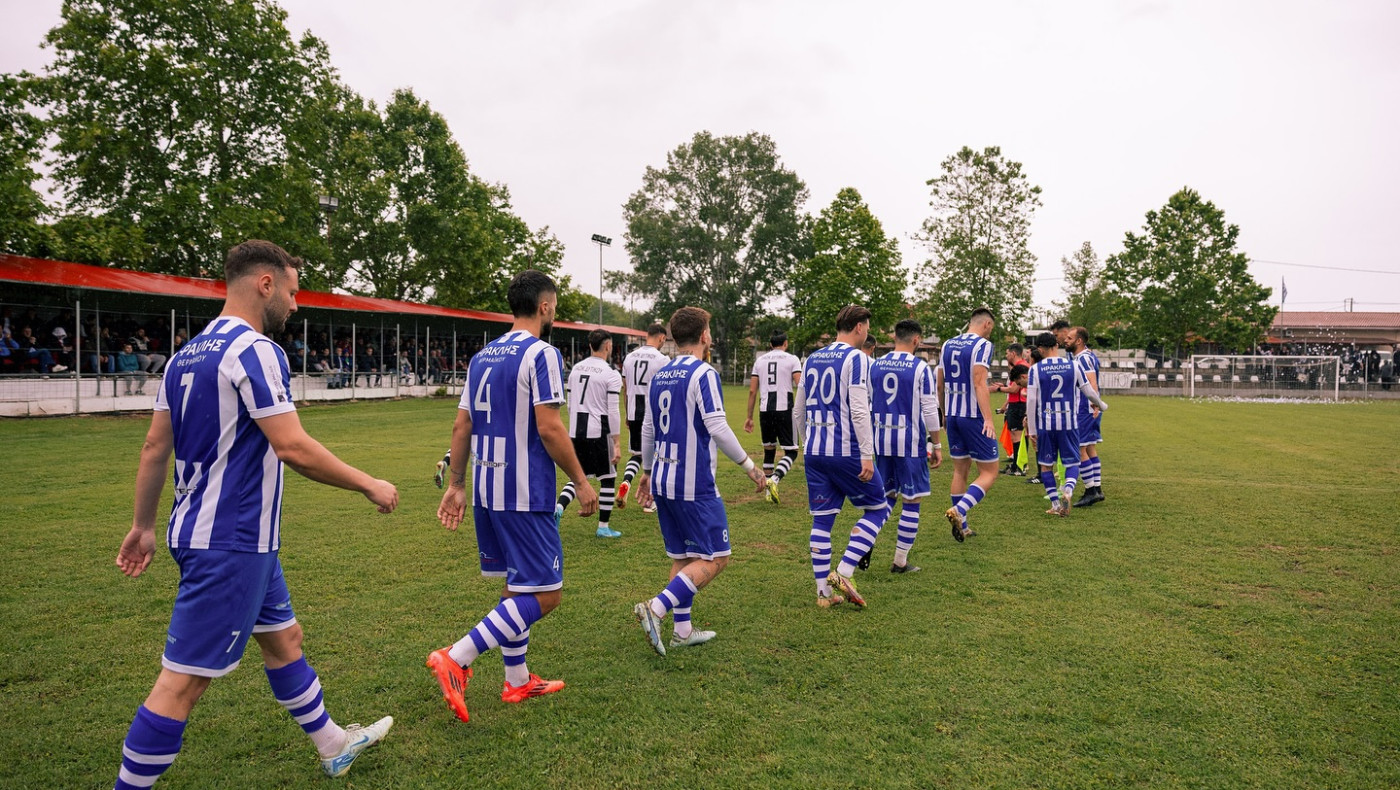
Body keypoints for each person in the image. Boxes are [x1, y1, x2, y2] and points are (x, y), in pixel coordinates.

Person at [111, 240, 400, 788]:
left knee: (283, 640)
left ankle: (334, 745)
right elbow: (291, 446)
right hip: (231, 540)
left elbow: (154, 447)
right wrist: (369, 483)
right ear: (265, 284)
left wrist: (144, 526)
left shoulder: (185, 355)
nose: (295, 304)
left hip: (222, 535)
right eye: (292, 291)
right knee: (181, 684)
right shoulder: (256, 351)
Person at [428, 269, 598, 724]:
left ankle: (518, 679)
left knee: (516, 587)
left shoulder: (483, 356)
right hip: (525, 492)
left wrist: (458, 483)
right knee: (547, 594)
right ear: (545, 306)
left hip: (486, 488)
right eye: (555, 304)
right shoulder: (542, 354)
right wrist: (581, 480)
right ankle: (457, 657)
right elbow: (549, 426)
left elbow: (461, 426)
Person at [632, 307, 767, 655]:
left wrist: (646, 472)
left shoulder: (660, 373)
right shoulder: (703, 373)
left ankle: (683, 630)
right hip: (694, 484)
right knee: (717, 557)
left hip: (662, 477)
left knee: (683, 557)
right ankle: (657, 608)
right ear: (705, 335)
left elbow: (648, 428)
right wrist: (750, 466)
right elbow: (718, 426)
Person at [793, 305, 890, 608]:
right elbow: (859, 409)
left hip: (815, 451)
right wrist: (866, 454)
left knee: (822, 521)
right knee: (878, 508)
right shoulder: (857, 358)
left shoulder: (811, 359)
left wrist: (805, 443)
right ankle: (845, 571)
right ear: (860, 327)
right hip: (846, 450)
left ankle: (823, 595)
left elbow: (799, 410)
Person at [868, 319, 942, 573]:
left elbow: (866, 404)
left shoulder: (874, 366)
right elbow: (930, 409)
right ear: (916, 340)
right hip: (909, 443)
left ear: (894, 338)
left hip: (881, 441)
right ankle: (900, 561)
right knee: (912, 499)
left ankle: (865, 541)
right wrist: (938, 443)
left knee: (886, 497)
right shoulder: (920, 368)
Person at [1025, 332, 1108, 516]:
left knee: (1047, 465)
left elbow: (1031, 401)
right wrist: (1101, 405)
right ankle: (1068, 490)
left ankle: (1055, 504)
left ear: (1040, 349)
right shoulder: (1074, 365)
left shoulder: (1036, 369)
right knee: (1073, 461)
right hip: (1069, 422)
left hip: (1046, 423)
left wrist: (1032, 429)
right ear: (1057, 345)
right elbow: (1088, 390)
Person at [554, 328, 625, 538]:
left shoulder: (576, 369)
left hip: (576, 430)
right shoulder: (610, 373)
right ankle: (603, 527)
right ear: (608, 346)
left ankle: (558, 508)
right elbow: (612, 410)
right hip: (599, 431)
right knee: (608, 477)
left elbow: (568, 403)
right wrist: (617, 442)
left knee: (579, 475)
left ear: (590, 346)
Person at [937, 308, 999, 541]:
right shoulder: (982, 345)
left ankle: (962, 525)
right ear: (986, 325)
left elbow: (940, 384)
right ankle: (959, 511)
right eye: (991, 329)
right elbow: (979, 381)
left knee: (960, 470)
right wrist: (989, 419)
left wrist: (943, 413)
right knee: (990, 472)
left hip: (953, 415)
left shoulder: (947, 345)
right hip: (973, 416)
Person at [743, 330, 802, 503]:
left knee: (769, 451)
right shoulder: (792, 359)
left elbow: (753, 390)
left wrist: (749, 417)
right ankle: (775, 479)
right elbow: (800, 384)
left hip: (765, 411)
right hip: (785, 410)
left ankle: (769, 493)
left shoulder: (760, 361)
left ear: (770, 344)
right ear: (786, 343)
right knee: (791, 451)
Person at [617, 323, 669, 513]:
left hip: (633, 411)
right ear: (662, 338)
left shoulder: (629, 357)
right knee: (656, 455)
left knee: (637, 454)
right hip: (652, 413)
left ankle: (626, 482)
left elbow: (625, 388)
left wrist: (627, 414)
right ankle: (650, 501)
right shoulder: (662, 359)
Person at [1068, 327, 1106, 507]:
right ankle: (1097, 489)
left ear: (1079, 341)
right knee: (1090, 449)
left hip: (1085, 408)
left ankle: (1090, 490)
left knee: (1080, 449)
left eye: (1069, 338)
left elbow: (1092, 382)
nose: (1066, 340)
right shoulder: (1087, 356)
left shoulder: (1083, 358)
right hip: (1089, 409)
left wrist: (1095, 403)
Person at [996, 360, 1029, 475]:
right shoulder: (1021, 369)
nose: (1006, 356)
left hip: (1019, 406)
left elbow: (1014, 390)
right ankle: (1017, 465)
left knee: (1018, 437)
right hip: (1017, 406)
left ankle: (1020, 466)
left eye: (1008, 353)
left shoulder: (1023, 368)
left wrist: (999, 389)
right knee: (1017, 436)